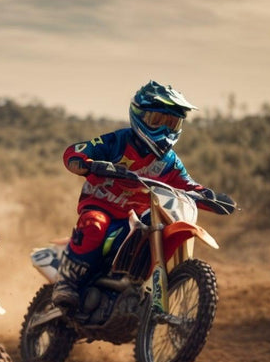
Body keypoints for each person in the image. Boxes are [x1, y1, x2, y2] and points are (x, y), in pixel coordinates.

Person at [52, 81, 237, 311]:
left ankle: (138, 289)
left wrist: (210, 198)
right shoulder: (118, 141)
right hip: (102, 205)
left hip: (135, 216)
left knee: (154, 225)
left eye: (172, 123)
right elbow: (77, 152)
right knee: (95, 225)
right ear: (139, 116)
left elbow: (188, 185)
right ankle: (67, 283)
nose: (164, 130)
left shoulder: (169, 162)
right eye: (157, 121)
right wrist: (88, 163)